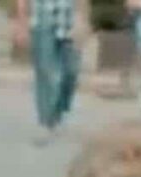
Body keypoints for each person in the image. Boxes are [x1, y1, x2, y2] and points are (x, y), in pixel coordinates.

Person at [14, 0, 92, 145]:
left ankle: (60, 112)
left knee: (71, 71)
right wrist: (21, 24)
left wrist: (83, 20)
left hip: (69, 19)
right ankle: (46, 122)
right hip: (42, 20)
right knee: (45, 73)